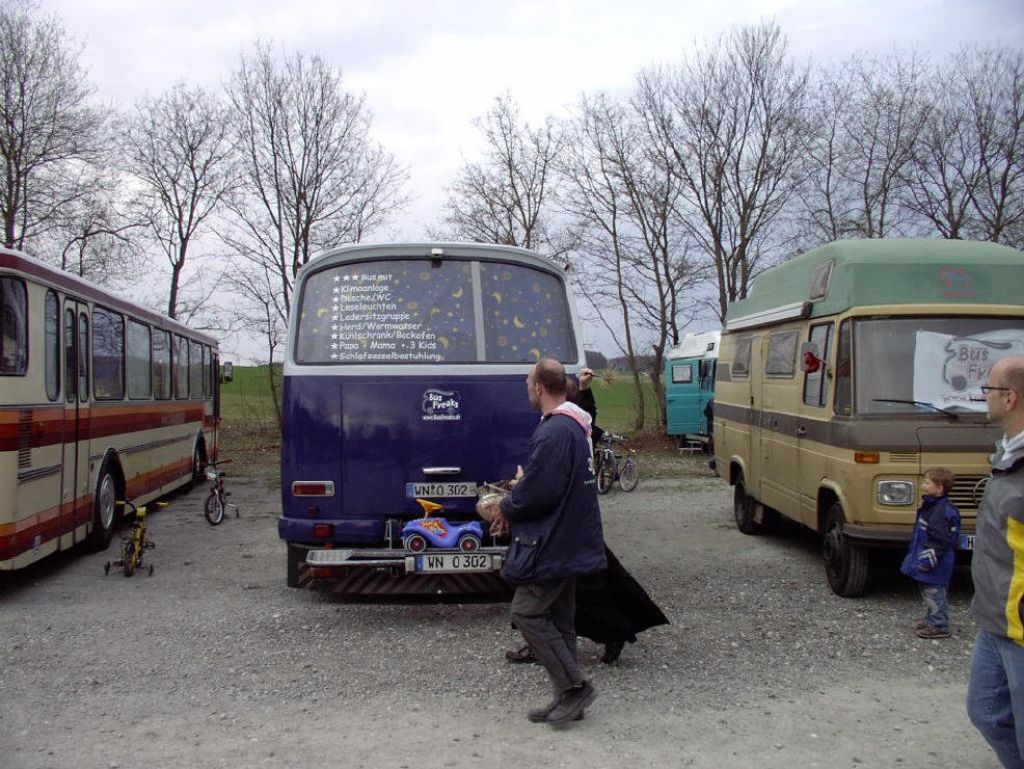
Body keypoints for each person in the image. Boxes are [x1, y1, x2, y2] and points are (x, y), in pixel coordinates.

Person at [505, 368, 669, 665]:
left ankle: (598, 645)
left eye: (530, 383)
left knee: (584, 595)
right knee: (561, 598)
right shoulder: (568, 425)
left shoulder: (564, 428)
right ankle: (556, 656)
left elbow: (546, 488)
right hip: (571, 528)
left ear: (542, 389)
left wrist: (515, 497)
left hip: (565, 531)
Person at [480, 358, 607, 728]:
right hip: (571, 537)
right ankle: (566, 696)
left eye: (527, 383)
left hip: (554, 540)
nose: (527, 388)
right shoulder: (574, 425)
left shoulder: (554, 431)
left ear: (539, 387)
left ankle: (576, 688)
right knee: (560, 618)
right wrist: (526, 485)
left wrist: (506, 505)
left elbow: (541, 492)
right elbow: (551, 481)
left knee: (527, 612)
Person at [967, 355, 1024, 767]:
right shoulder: (1008, 452)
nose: (983, 396)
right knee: (986, 712)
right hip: (995, 620)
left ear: (1010, 398)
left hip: (1020, 625)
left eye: (988, 389)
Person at [899, 467, 961, 639]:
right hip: (931, 557)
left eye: (927, 483)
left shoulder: (939, 511)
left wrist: (927, 560)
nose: (923, 485)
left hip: (936, 562)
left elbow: (939, 541)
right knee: (929, 590)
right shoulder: (932, 507)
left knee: (934, 592)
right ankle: (932, 618)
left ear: (939, 488)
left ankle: (939, 625)